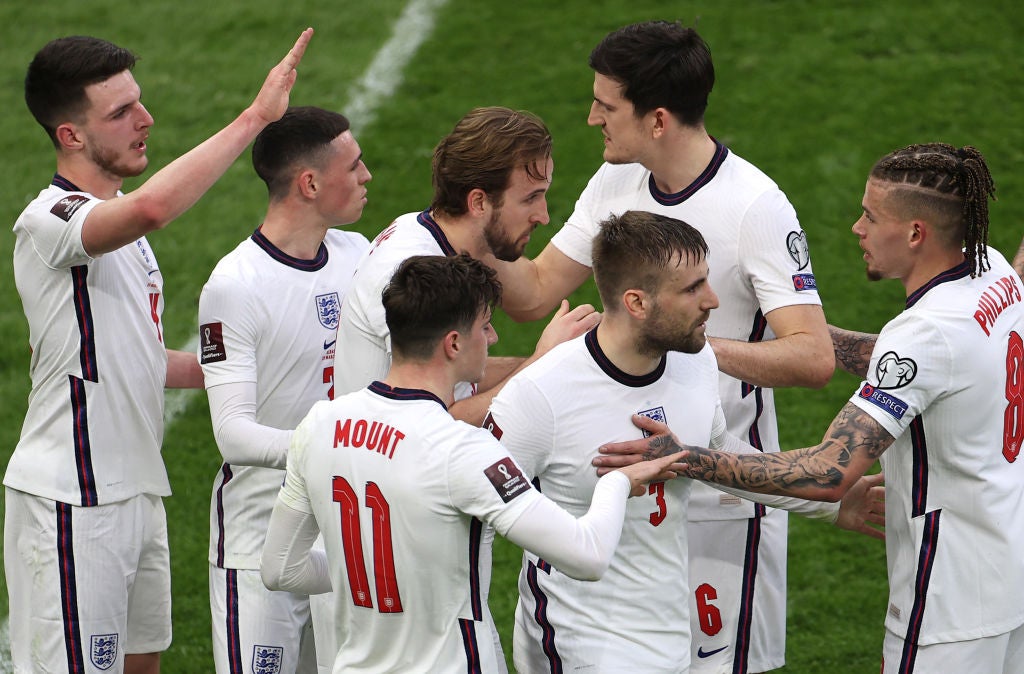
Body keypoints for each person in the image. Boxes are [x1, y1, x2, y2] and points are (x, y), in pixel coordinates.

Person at [487, 21, 834, 672]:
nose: (591, 118)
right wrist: (464, 233)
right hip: (618, 484)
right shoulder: (616, 181)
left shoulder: (754, 206)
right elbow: (534, 292)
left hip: (722, 497)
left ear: (658, 119)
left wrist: (683, 344)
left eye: (606, 105)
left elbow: (811, 355)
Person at [600, 145, 1024, 673]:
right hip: (1008, 572)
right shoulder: (995, 275)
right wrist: (744, 339)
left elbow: (827, 471)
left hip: (950, 601)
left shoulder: (924, 334)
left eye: (871, 216)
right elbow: (923, 364)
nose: (856, 227)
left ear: (916, 233)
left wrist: (685, 456)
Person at [4, 28, 312, 674]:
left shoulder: (124, 243)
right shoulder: (51, 220)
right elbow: (151, 211)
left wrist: (237, 369)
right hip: (73, 500)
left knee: (143, 664)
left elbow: (139, 357)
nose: (146, 120)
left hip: (137, 492)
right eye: (120, 113)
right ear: (71, 136)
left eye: (138, 102)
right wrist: (256, 118)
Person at [485, 210, 883, 673]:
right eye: (692, 288)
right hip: (579, 644)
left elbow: (720, 452)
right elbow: (478, 513)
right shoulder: (540, 394)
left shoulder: (694, 363)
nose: (712, 300)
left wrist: (828, 503)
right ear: (636, 302)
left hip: (670, 635)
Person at [259, 253, 685, 673]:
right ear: (454, 343)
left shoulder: (319, 424)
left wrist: (368, 571)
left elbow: (282, 568)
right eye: (485, 326)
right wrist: (618, 483)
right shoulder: (463, 449)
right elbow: (587, 556)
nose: (494, 338)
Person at [198, 106, 371, 674]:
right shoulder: (235, 286)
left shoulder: (358, 255)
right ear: (311, 183)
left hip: (342, 540)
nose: (367, 176)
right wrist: (333, 445)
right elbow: (233, 435)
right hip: (257, 546)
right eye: (355, 165)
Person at [333, 106, 600, 425]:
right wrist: (544, 364)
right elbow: (435, 426)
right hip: (388, 461)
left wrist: (566, 361)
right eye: (530, 198)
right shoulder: (411, 272)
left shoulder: (432, 234)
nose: (543, 216)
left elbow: (463, 379)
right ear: (478, 202)